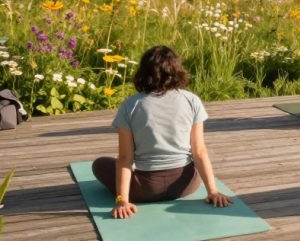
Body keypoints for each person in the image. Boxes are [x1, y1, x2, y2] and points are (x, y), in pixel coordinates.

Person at [92, 46, 231, 219]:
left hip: (145, 189)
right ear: (177, 71)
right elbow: (199, 152)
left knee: (99, 164)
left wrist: (122, 200)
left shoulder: (131, 105)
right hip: (186, 185)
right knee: (192, 163)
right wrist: (213, 191)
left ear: (143, 72)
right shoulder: (192, 100)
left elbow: (125, 159)